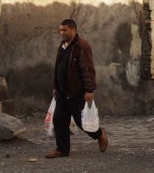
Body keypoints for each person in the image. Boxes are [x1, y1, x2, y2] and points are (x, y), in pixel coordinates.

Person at [45, 19, 108, 158]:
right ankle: (62, 149)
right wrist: (56, 87)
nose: (62, 33)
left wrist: (89, 90)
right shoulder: (62, 47)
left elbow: (88, 69)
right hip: (62, 92)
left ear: (73, 30)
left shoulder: (81, 46)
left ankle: (100, 134)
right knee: (59, 119)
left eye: (65, 30)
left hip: (76, 92)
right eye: (60, 30)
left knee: (82, 122)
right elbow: (58, 69)